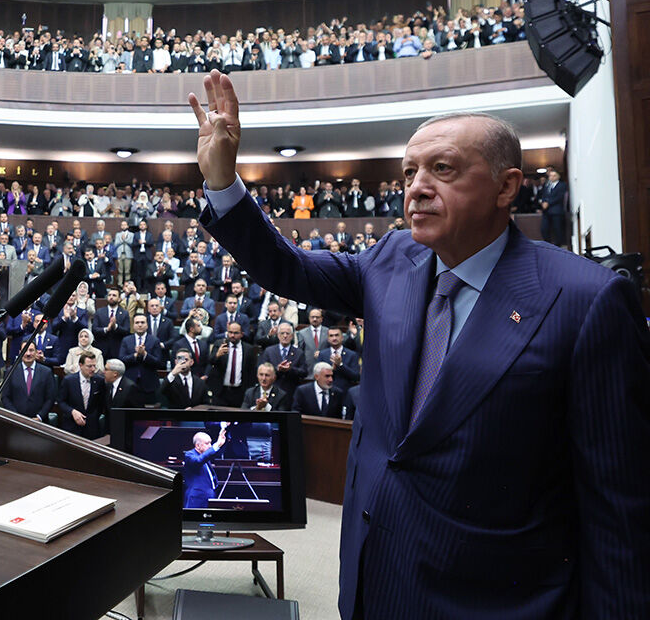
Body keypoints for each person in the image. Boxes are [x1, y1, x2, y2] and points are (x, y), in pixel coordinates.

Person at [190, 69, 650, 617]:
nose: (417, 186)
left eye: (443, 169)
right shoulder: (390, 260)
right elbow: (285, 268)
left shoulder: (587, 299)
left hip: (494, 599)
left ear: (507, 187)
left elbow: (619, 508)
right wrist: (223, 184)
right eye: (409, 172)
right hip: (374, 579)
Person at [57, 350, 105, 439]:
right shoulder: (69, 380)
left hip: (92, 428)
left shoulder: (99, 381)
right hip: (71, 426)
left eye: (94, 366)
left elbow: (101, 403)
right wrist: (72, 411)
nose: (93, 369)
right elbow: (61, 402)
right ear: (81, 365)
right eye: (89, 366)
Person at [182, 427, 227, 509]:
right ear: (197, 445)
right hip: (196, 500)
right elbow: (198, 461)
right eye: (207, 443)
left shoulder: (205, 457)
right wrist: (216, 445)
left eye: (211, 443)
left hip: (209, 498)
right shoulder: (189, 455)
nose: (210, 446)